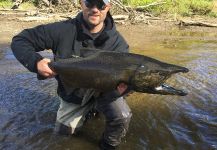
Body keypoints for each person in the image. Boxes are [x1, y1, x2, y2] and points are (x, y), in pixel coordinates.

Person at [11, 0, 132, 149]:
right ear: (81, 3)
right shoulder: (62, 30)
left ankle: (108, 145)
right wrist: (35, 62)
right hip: (74, 95)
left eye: (100, 5)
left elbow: (124, 80)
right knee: (63, 137)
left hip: (104, 93)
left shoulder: (119, 44)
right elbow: (20, 40)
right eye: (90, 3)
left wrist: (120, 92)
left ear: (108, 7)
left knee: (122, 116)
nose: (95, 9)